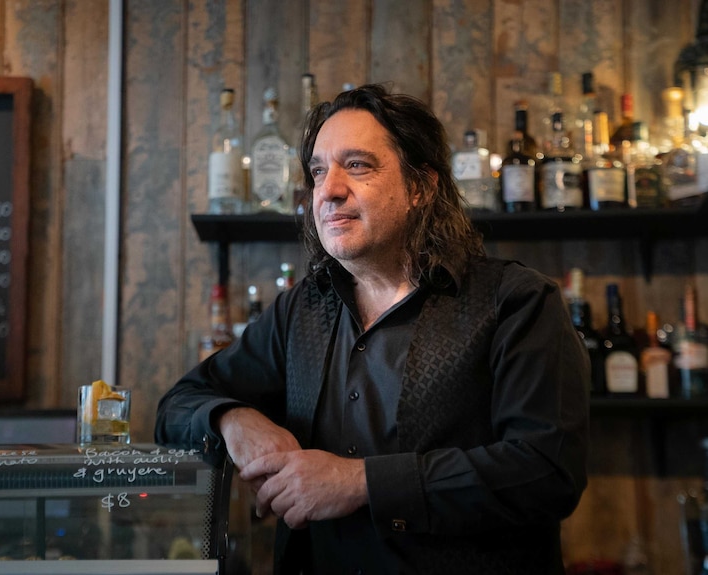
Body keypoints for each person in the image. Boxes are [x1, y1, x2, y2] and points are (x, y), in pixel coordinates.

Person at [155, 83, 589, 574]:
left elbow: (547, 472)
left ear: (421, 187)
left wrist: (359, 482)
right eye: (318, 171)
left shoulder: (517, 302)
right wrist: (232, 419)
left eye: (357, 165)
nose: (329, 190)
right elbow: (177, 404)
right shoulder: (300, 310)